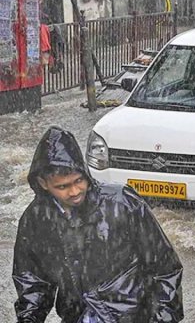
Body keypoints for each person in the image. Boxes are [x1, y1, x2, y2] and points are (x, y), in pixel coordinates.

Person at [13, 127, 184, 323]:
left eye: (79, 181)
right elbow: (33, 281)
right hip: (77, 316)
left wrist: (162, 318)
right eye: (63, 186)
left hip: (133, 316)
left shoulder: (122, 203)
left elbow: (165, 268)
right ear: (43, 183)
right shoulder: (36, 218)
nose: (75, 191)